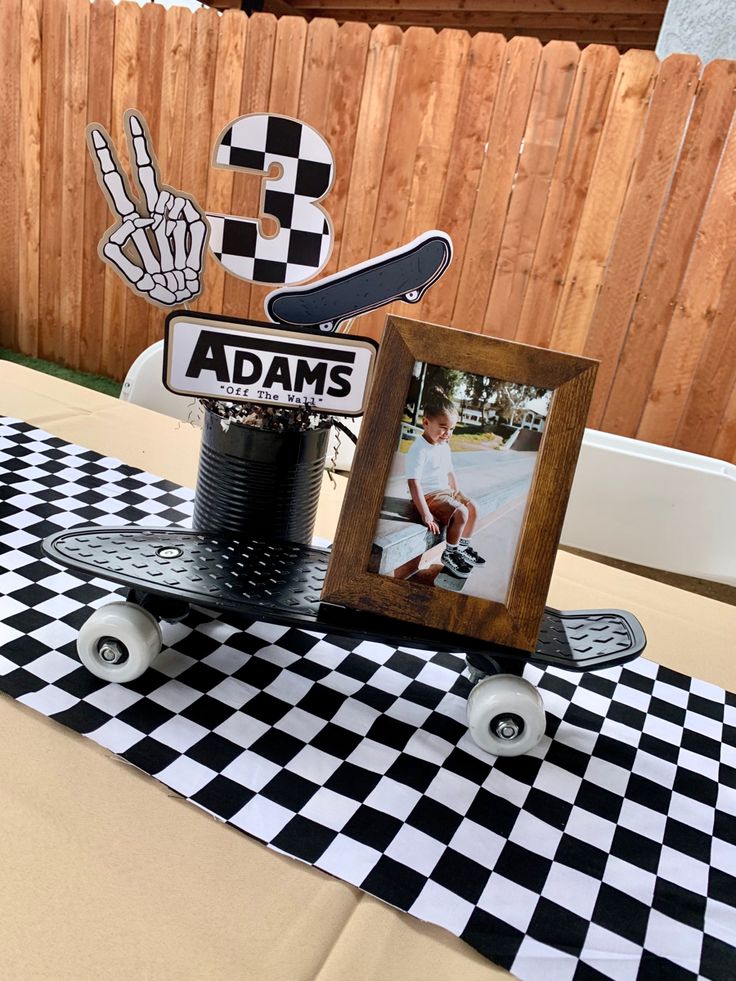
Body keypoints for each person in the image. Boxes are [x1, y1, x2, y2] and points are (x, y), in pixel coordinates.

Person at [404, 389, 486, 579]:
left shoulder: (443, 445)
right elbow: (413, 483)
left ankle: (462, 547)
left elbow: (449, 470)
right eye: (443, 427)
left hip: (445, 492)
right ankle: (449, 553)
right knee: (462, 513)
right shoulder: (420, 450)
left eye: (451, 429)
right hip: (429, 495)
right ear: (426, 422)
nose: (447, 433)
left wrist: (456, 490)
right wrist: (426, 515)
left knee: (473, 507)